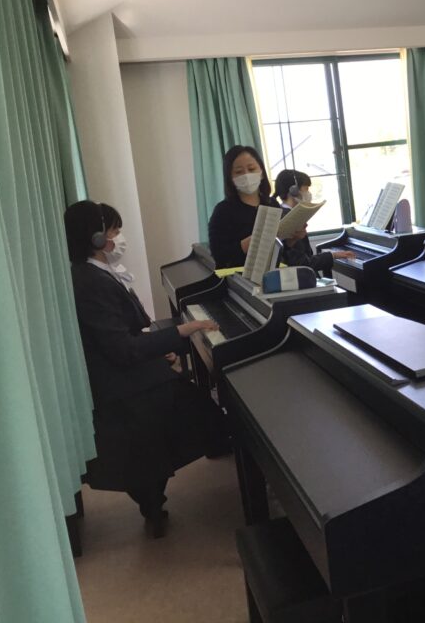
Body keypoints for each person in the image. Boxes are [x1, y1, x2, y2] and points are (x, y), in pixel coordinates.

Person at [65, 200, 228, 537]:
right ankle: (152, 498)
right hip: (123, 387)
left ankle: (153, 497)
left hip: (125, 371)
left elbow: (125, 337)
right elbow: (123, 349)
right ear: (97, 238)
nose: (119, 237)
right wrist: (181, 332)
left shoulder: (97, 273)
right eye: (114, 231)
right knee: (205, 413)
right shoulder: (90, 281)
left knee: (194, 399)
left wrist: (160, 346)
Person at [207, 145, 292, 268]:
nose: (246, 175)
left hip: (274, 272)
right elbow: (218, 256)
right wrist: (246, 245)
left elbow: (281, 250)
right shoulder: (222, 211)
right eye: (238, 172)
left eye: (251, 169)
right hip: (239, 277)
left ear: (262, 173)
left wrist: (292, 239)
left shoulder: (272, 204)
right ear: (230, 178)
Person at [272, 169, 354, 276]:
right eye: (306, 189)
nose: (309, 193)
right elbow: (302, 263)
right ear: (294, 191)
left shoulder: (281, 212)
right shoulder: (290, 219)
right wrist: (333, 255)